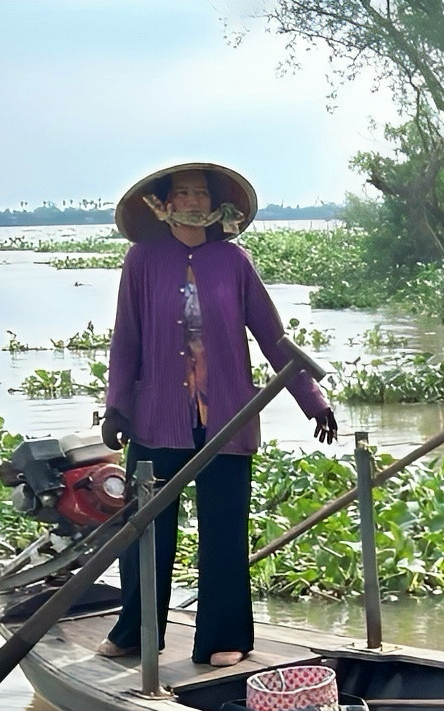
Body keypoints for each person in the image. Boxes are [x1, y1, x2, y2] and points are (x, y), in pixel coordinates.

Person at [97, 163, 337, 667]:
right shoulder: (142, 261)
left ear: (215, 205)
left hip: (227, 418)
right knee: (144, 531)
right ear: (164, 205)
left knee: (224, 532)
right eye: (182, 193)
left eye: (200, 194)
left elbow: (274, 338)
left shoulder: (234, 262)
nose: (191, 201)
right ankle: (136, 631)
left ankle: (222, 638)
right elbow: (127, 338)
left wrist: (313, 401)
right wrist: (116, 406)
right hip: (157, 419)